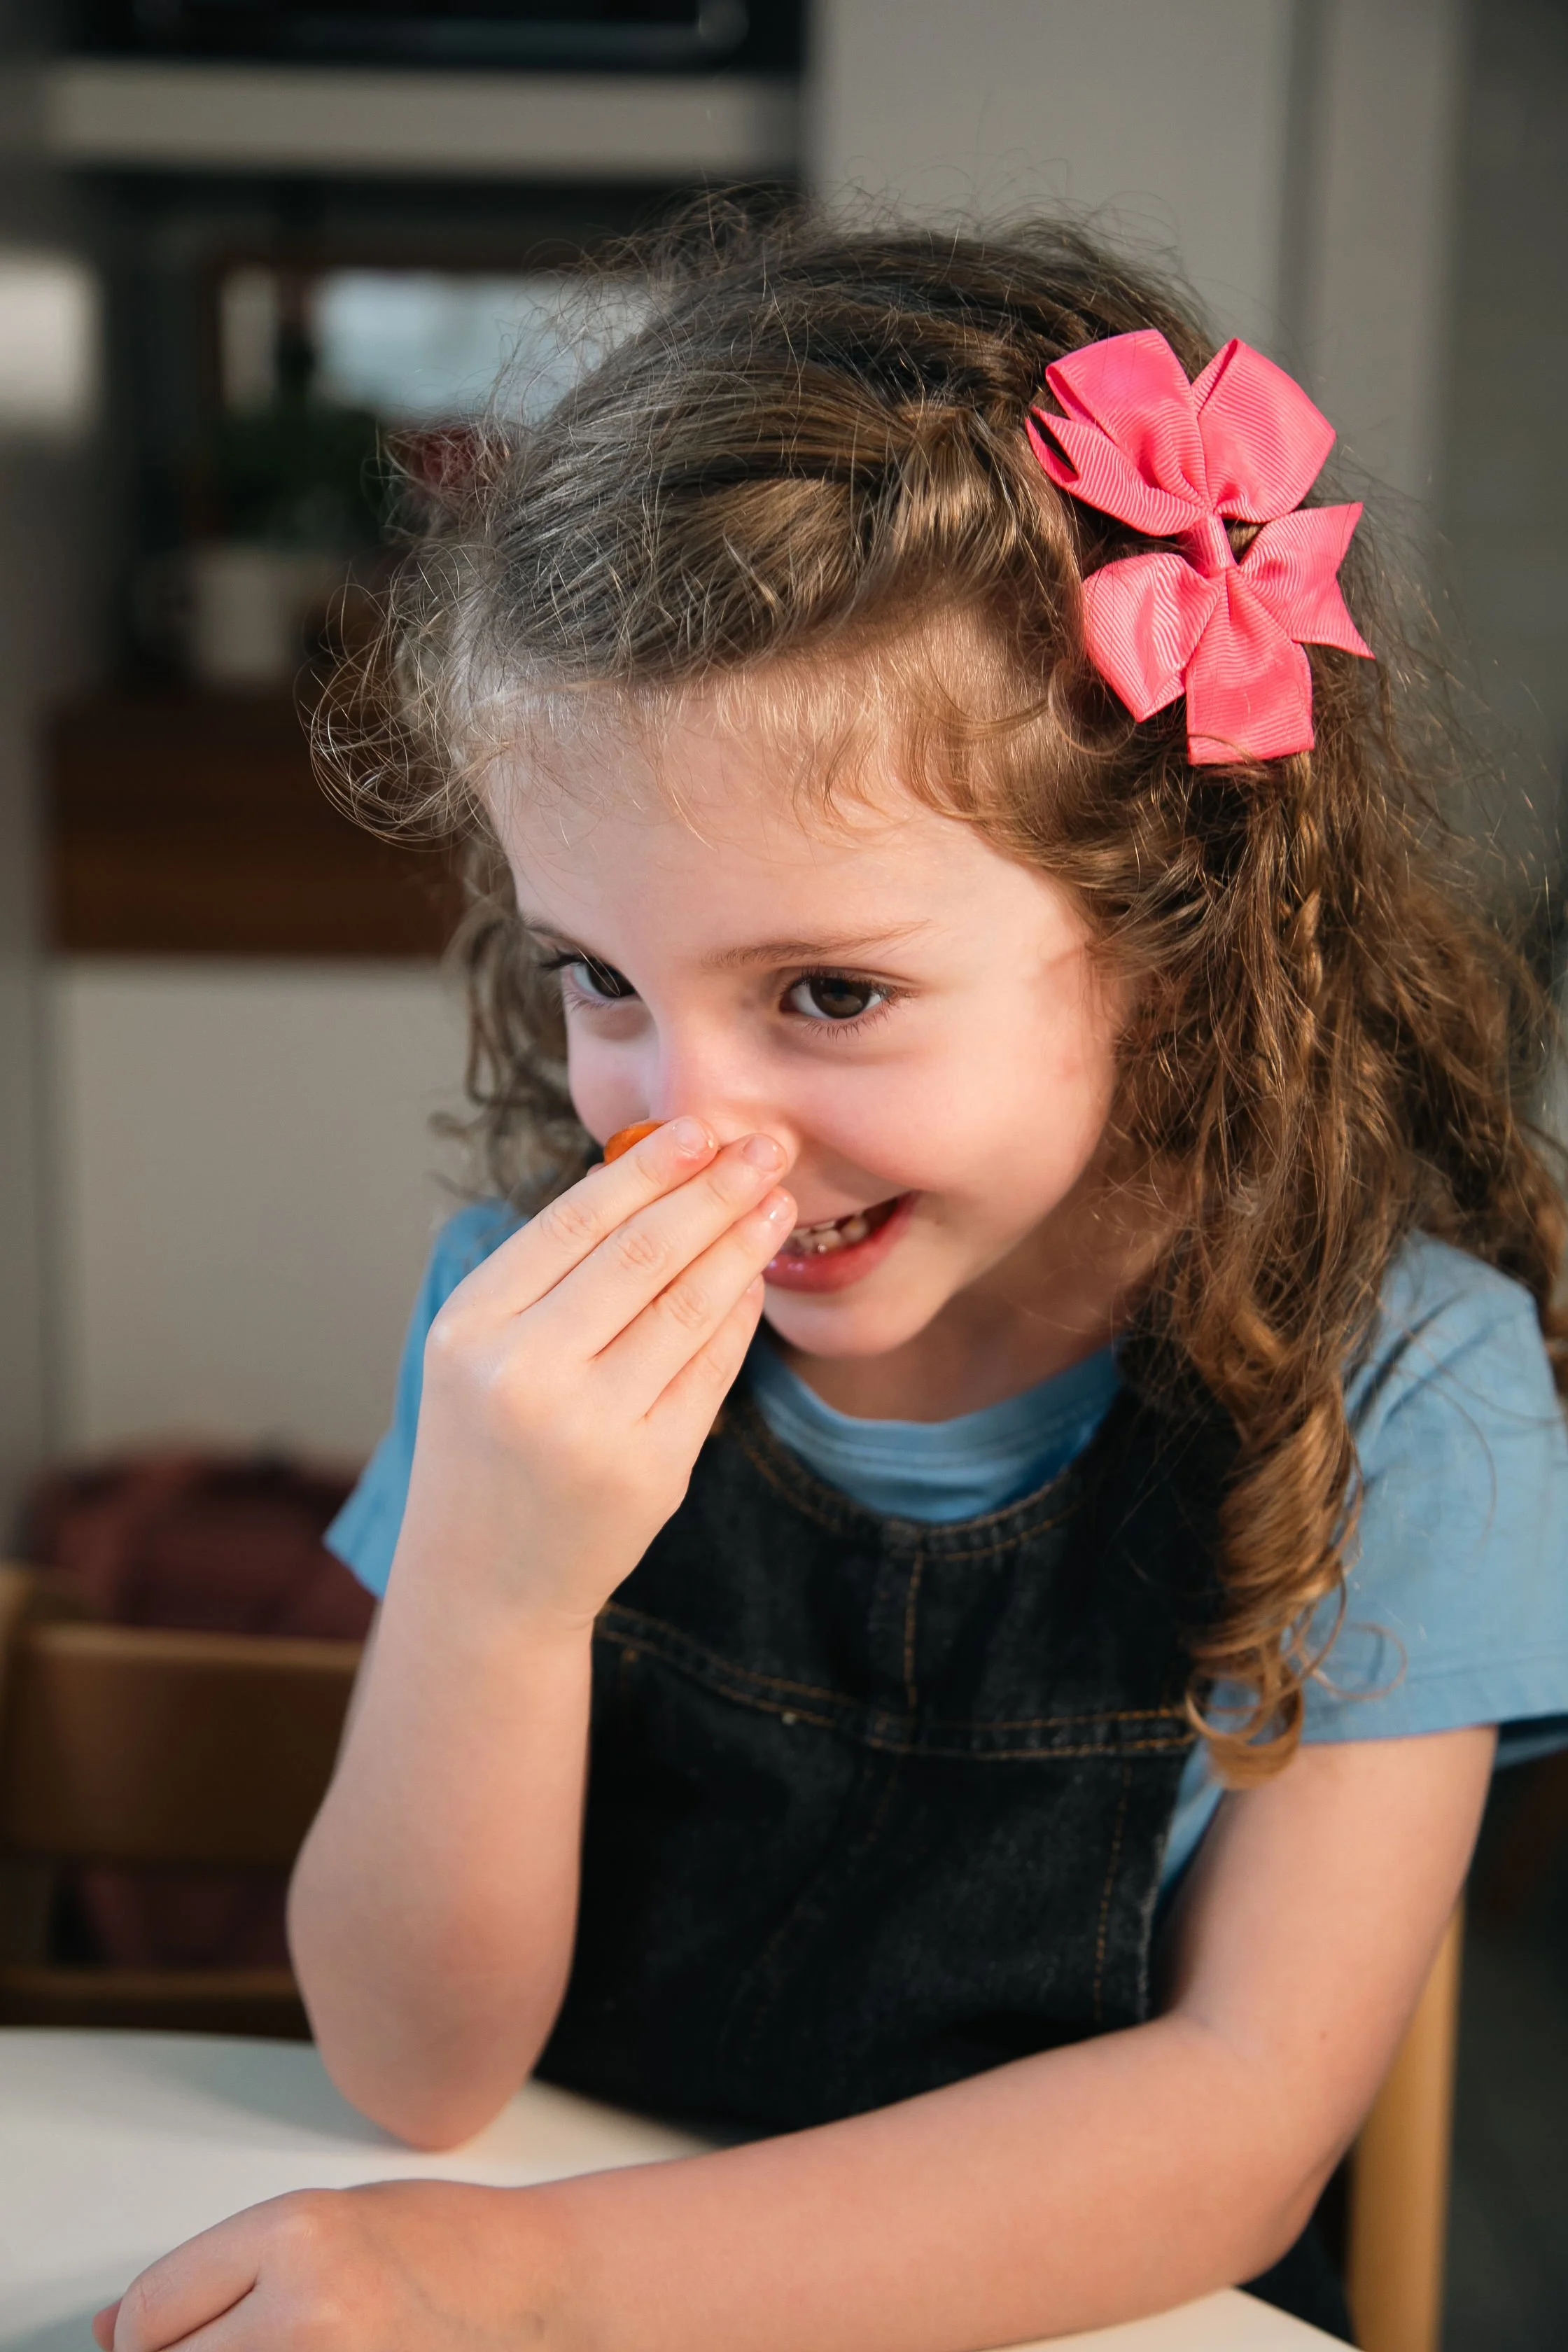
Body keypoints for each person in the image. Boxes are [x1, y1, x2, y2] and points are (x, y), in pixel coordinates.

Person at [97, 216, 1568, 2352]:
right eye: (599, 975)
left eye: (829, 991)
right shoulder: (526, 1321)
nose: (687, 1128)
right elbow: (414, 2074)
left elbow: (1241, 2130)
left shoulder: (1408, 1387)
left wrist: (532, 2285)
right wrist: (499, 1591)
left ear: (1178, 940)